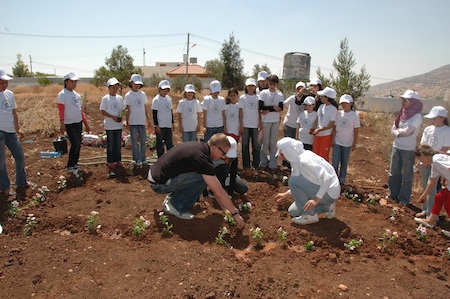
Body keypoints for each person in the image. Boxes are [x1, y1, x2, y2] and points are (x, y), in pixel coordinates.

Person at [148, 133, 245, 229]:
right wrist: (235, 213)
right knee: (203, 177)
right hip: (159, 184)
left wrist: (226, 210)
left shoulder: (200, 148)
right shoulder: (202, 158)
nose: (223, 157)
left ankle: (181, 205)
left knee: (204, 177)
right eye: (223, 153)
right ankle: (174, 204)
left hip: (157, 177)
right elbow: (218, 191)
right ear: (215, 148)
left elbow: (216, 189)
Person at [275, 137, 340, 225]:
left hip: (329, 192)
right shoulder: (297, 162)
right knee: (293, 211)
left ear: (288, 152)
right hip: (322, 190)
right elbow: (300, 183)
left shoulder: (305, 161)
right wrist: (286, 194)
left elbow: (327, 178)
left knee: (293, 181)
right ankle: (327, 207)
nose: (282, 157)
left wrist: (316, 200)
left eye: (282, 154)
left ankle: (311, 215)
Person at [388, 90, 423, 204]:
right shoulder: (402, 113)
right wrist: (398, 132)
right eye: (403, 100)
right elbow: (393, 128)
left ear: (413, 102)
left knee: (406, 175)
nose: (403, 102)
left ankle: (404, 199)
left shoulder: (417, 116)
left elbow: (408, 131)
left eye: (405, 100)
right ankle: (393, 194)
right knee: (394, 172)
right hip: (397, 146)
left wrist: (398, 132)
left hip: (408, 149)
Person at [416, 106, 450, 218]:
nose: (432, 121)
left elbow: (446, 147)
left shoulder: (447, 131)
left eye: (434, 118)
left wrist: (432, 159)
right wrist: (425, 159)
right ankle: (425, 209)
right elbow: (423, 144)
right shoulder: (428, 129)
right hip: (427, 160)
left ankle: (432, 213)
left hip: (436, 161)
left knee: (433, 187)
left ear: (442, 118)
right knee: (427, 184)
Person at [0, 69, 28, 195]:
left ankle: (21, 182)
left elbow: (14, 113)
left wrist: (18, 129)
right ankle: (5, 186)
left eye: (6, 82)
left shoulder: (9, 94)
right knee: (1, 160)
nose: (4, 85)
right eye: (1, 83)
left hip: (10, 131)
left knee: (20, 156)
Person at [58, 72, 91, 174]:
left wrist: (85, 123)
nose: (74, 83)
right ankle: (70, 165)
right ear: (66, 82)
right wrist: (62, 123)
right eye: (72, 81)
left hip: (78, 122)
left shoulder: (76, 95)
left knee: (78, 144)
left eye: (75, 81)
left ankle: (75, 163)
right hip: (69, 123)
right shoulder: (62, 94)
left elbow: (79, 110)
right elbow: (61, 109)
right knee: (75, 144)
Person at [414, 144, 450, 230]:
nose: (421, 162)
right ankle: (430, 220)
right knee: (439, 197)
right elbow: (432, 181)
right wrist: (424, 195)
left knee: (448, 204)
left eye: (420, 159)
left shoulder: (437, 159)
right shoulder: (434, 165)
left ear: (423, 155)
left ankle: (430, 220)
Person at [331, 94, 360, 186]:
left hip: (347, 143)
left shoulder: (354, 116)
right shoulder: (339, 114)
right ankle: (334, 178)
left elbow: (356, 130)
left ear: (351, 104)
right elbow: (335, 127)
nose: (344, 105)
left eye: (346, 103)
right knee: (335, 161)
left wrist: (354, 143)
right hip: (338, 141)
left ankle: (342, 179)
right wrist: (333, 139)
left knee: (344, 162)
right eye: (342, 103)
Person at [100, 77, 125, 177]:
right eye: (113, 87)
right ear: (109, 88)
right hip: (110, 125)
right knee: (110, 144)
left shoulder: (120, 98)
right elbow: (102, 111)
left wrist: (120, 116)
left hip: (118, 125)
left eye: (116, 87)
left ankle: (118, 160)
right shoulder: (105, 98)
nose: (115, 89)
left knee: (118, 143)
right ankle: (110, 161)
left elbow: (122, 109)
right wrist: (113, 117)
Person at [259, 74, 284, 172]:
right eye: (270, 84)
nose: (272, 86)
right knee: (265, 143)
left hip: (275, 121)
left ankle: (273, 164)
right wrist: (273, 107)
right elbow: (261, 107)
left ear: (276, 84)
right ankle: (263, 162)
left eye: (274, 84)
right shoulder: (264, 93)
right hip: (265, 121)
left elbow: (281, 108)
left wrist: (269, 109)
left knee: (273, 143)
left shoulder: (279, 94)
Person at [125, 74, 151, 167]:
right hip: (133, 122)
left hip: (141, 121)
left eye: (138, 84)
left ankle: (143, 159)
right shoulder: (128, 95)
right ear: (131, 83)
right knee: (134, 142)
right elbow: (127, 109)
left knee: (143, 141)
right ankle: (136, 159)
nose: (137, 86)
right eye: (135, 83)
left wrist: (148, 120)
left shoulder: (142, 94)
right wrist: (127, 121)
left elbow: (145, 107)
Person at [239, 78, 261, 176]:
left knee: (256, 146)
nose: (251, 88)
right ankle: (246, 166)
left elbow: (259, 111)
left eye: (252, 86)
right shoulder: (243, 98)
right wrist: (241, 125)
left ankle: (256, 166)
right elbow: (240, 112)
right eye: (249, 86)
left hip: (255, 125)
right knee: (245, 146)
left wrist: (260, 122)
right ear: (246, 87)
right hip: (245, 125)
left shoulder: (258, 97)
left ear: (255, 87)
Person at [282, 81, 307, 168]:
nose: (301, 90)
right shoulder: (292, 98)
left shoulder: (306, 100)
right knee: (287, 144)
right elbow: (283, 104)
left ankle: (294, 162)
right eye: (299, 88)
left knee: (296, 145)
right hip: (289, 124)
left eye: (302, 88)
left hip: (299, 126)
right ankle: (285, 163)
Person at [311, 87, 338, 161]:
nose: (321, 97)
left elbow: (331, 124)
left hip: (326, 135)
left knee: (323, 156)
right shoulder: (321, 106)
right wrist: (314, 128)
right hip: (318, 134)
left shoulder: (333, 109)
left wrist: (319, 129)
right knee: (315, 154)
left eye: (322, 96)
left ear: (327, 98)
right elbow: (318, 118)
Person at [152, 80, 174, 157]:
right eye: (163, 89)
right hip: (160, 125)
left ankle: (170, 158)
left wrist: (172, 123)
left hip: (168, 125)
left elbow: (170, 111)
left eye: (167, 90)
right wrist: (156, 125)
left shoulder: (169, 99)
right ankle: (160, 158)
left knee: (169, 143)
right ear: (159, 89)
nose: (165, 91)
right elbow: (154, 113)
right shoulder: (156, 100)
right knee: (160, 143)